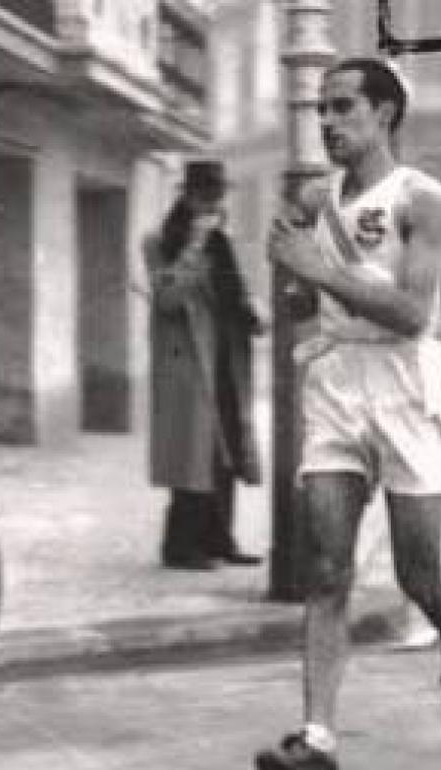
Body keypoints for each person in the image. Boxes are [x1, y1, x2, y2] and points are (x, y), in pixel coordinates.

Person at [254, 58, 441, 770]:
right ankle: (317, 738)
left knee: (419, 573)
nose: (326, 121)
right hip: (336, 384)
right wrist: (290, 277)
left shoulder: (424, 197)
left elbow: (413, 312)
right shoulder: (315, 199)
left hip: (405, 385)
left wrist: (317, 268)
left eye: (343, 106)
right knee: (326, 568)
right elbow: (305, 301)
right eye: (321, 108)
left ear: (384, 113)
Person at [144, 160, 265, 571]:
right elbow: (167, 298)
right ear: (188, 197)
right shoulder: (160, 241)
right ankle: (179, 546)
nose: (214, 205)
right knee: (193, 454)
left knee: (225, 449)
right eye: (206, 197)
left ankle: (220, 539)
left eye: (218, 197)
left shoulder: (222, 242)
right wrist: (194, 246)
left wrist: (253, 313)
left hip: (225, 356)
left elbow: (237, 293)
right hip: (187, 362)